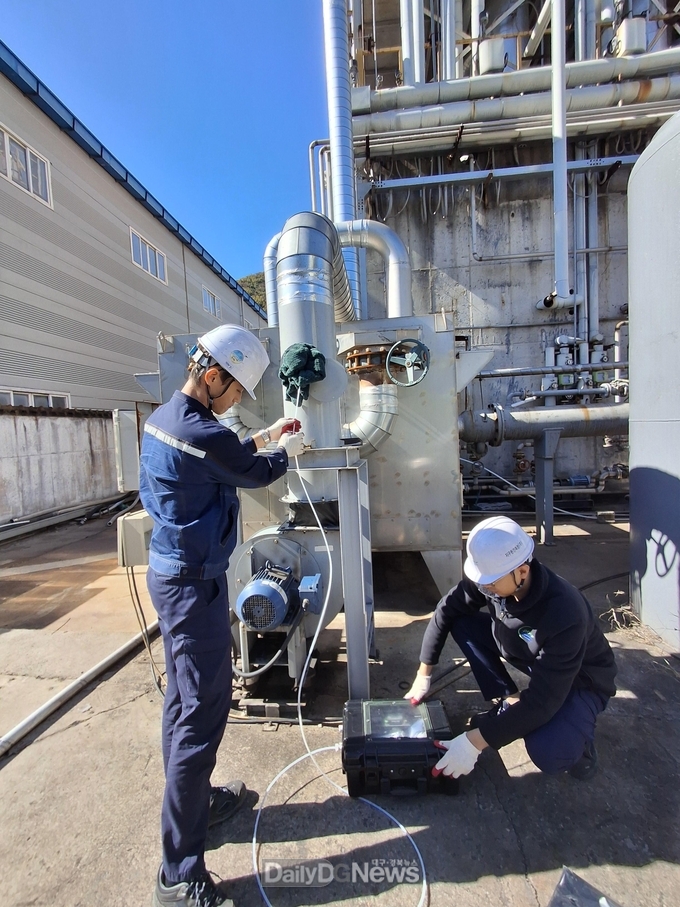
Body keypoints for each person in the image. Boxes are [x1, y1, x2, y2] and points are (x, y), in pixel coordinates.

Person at [139, 324, 305, 907]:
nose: (236, 402)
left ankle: (197, 799)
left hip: (175, 577)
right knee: (200, 715)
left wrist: (262, 435)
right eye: (235, 392)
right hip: (193, 589)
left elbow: (221, 452)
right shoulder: (202, 432)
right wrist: (287, 452)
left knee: (182, 703)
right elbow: (252, 471)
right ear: (212, 376)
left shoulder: (167, 418)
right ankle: (179, 873)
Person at [404, 516, 617, 783]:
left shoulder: (564, 612)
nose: (484, 587)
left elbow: (543, 702)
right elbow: (445, 611)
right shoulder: (494, 578)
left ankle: (580, 744)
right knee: (463, 622)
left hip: (580, 679)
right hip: (528, 653)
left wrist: (474, 742)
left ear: (523, 571)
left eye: (490, 582)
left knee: (550, 751)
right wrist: (423, 675)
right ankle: (510, 699)